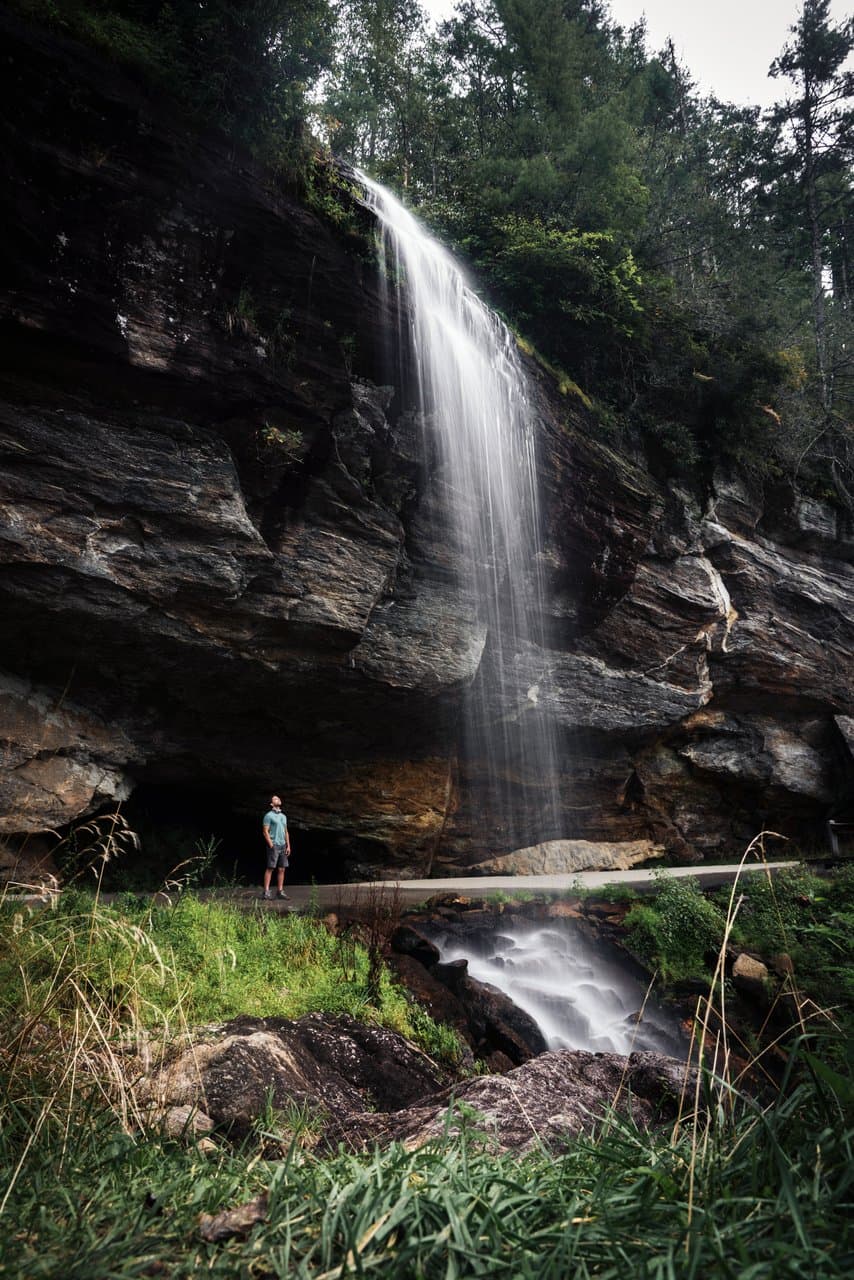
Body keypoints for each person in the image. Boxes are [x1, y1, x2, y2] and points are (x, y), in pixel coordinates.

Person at [261, 795, 292, 900]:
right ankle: (266, 892)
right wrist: (271, 845)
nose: (278, 799)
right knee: (270, 868)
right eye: (275, 799)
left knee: (282, 869)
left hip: (283, 845)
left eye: (278, 798)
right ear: (271, 804)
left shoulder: (283, 816)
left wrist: (288, 846)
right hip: (274, 844)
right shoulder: (268, 816)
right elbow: (265, 831)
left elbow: (286, 831)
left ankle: (280, 891)